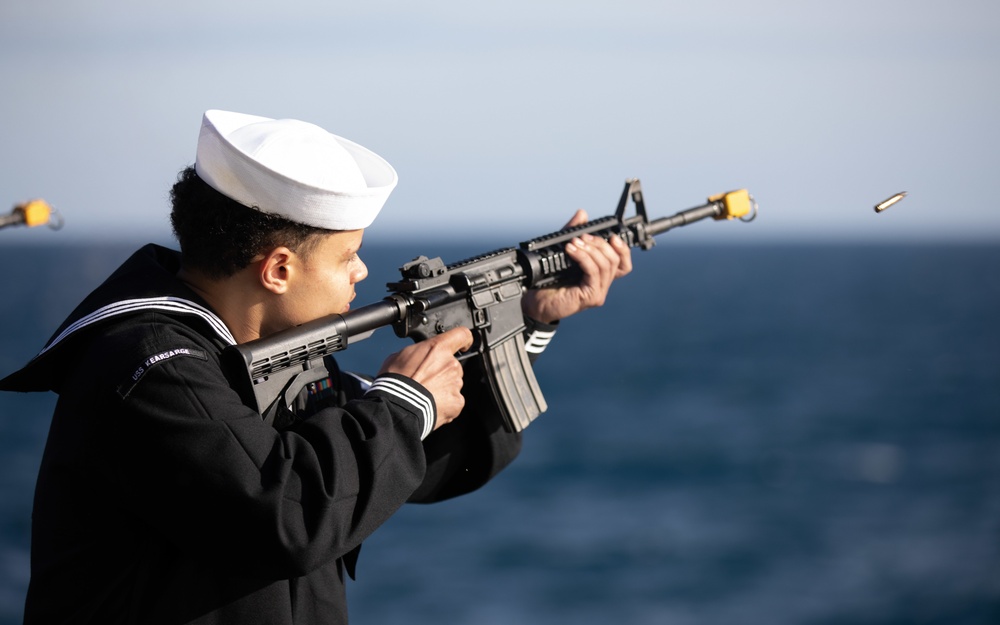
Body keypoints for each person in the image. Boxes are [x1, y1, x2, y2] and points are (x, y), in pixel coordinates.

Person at [0, 110, 631, 624]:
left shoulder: (270, 366)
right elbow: (286, 512)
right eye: (347, 256)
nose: (361, 272)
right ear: (277, 269)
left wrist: (529, 320)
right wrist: (402, 401)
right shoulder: (151, 367)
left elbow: (435, 465)